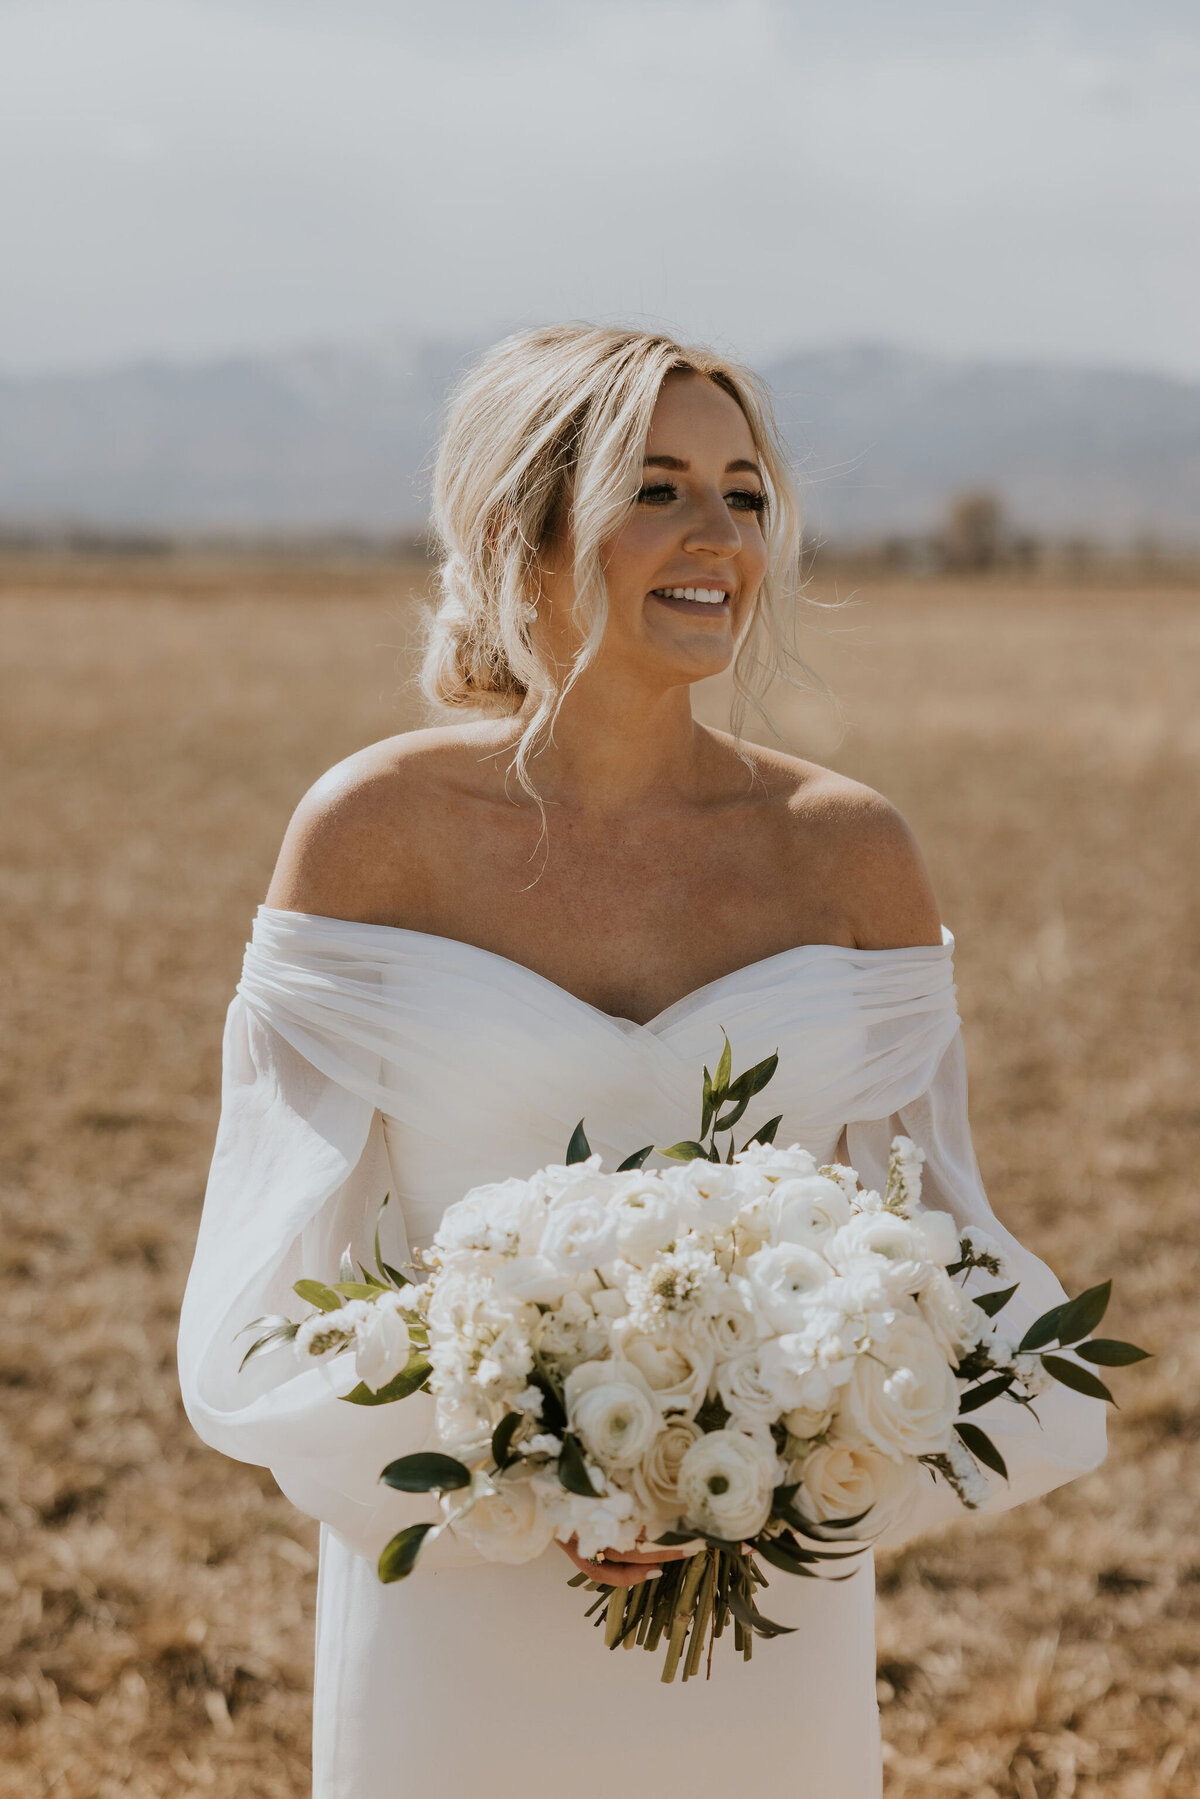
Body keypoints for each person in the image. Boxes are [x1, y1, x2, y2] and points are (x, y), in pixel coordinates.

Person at [178, 324, 1107, 1798]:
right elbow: (273, 1277)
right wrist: (516, 1471)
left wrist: (805, 1443)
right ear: (520, 526)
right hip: (458, 1584)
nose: (717, 537)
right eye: (657, 488)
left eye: (743, 495)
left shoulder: (848, 856)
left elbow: (941, 1245)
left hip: (757, 1600)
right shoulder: (372, 839)